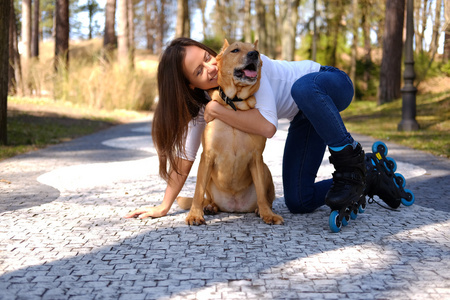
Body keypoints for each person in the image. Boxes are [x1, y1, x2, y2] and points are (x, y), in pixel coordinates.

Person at [124, 37, 405, 221]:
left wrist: (218, 111)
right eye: (199, 71)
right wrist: (164, 205)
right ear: (191, 86)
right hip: (304, 115)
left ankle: (351, 163)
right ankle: (370, 174)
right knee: (298, 199)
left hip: (329, 84)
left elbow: (268, 128)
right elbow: (187, 158)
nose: (211, 66)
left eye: (209, 56)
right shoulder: (209, 103)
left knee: (302, 87)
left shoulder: (256, 69)